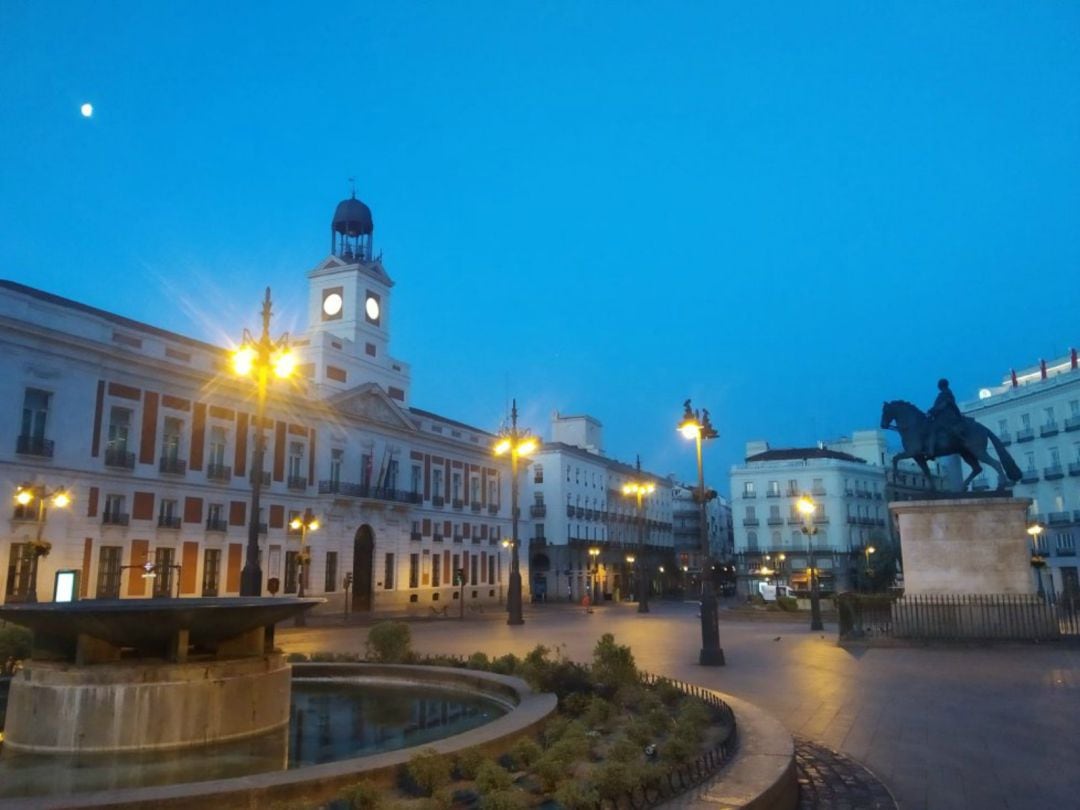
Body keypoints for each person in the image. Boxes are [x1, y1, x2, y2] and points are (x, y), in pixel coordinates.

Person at [926, 378, 962, 457]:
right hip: (946, 416)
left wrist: (931, 411)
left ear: (941, 386)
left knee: (932, 429)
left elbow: (942, 406)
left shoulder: (945, 394)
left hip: (945, 417)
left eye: (939, 385)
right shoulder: (948, 393)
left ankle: (931, 451)